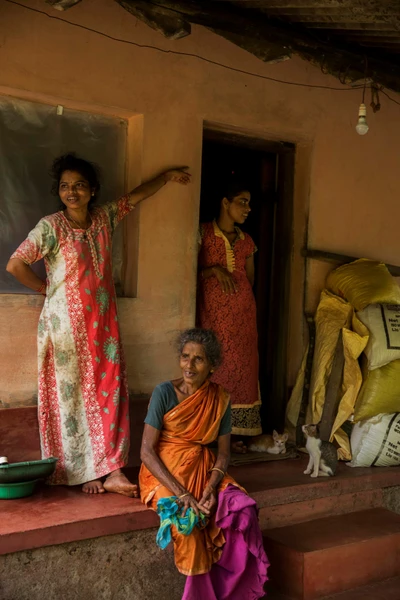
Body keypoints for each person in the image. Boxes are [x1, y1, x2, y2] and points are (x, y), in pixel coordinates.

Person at [6, 153, 190, 496]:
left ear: (92, 191)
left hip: (103, 327)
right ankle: (82, 473)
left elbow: (135, 196)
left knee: (110, 394)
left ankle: (113, 471)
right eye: (64, 186)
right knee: (72, 399)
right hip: (65, 330)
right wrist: (45, 288)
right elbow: (15, 265)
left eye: (79, 185)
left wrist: (165, 176)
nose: (71, 192)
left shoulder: (104, 218)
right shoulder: (51, 226)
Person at [140, 328, 269, 600]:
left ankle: (234, 591)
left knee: (241, 510)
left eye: (198, 359)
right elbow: (146, 452)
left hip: (206, 468)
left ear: (212, 365)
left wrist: (210, 490)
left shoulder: (220, 398)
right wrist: (183, 493)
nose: (189, 365)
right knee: (187, 525)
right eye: (185, 357)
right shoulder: (164, 392)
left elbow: (223, 454)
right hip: (164, 471)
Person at [197, 181, 261, 453]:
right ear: (226, 203)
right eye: (242, 201)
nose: (248, 208)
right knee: (216, 367)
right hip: (213, 317)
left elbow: (250, 278)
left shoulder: (247, 242)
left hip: (243, 319)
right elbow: (189, 273)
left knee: (243, 371)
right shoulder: (203, 233)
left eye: (248, 202)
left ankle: (234, 435)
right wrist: (213, 270)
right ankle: (210, 432)